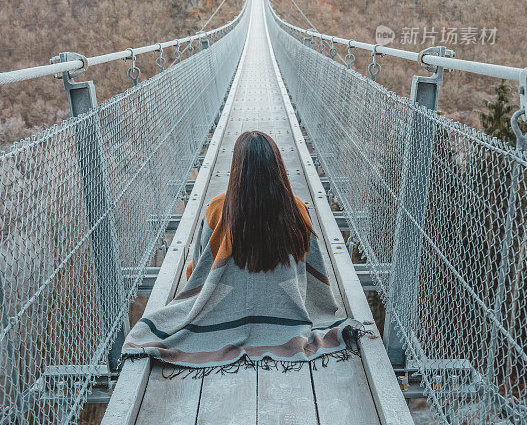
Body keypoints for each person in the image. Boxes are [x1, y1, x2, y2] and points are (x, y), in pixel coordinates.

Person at [122, 131, 362, 375]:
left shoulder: (218, 208)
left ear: (237, 167)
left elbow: (199, 268)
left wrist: (203, 284)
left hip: (222, 313)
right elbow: (312, 269)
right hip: (287, 319)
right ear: (277, 166)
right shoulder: (297, 209)